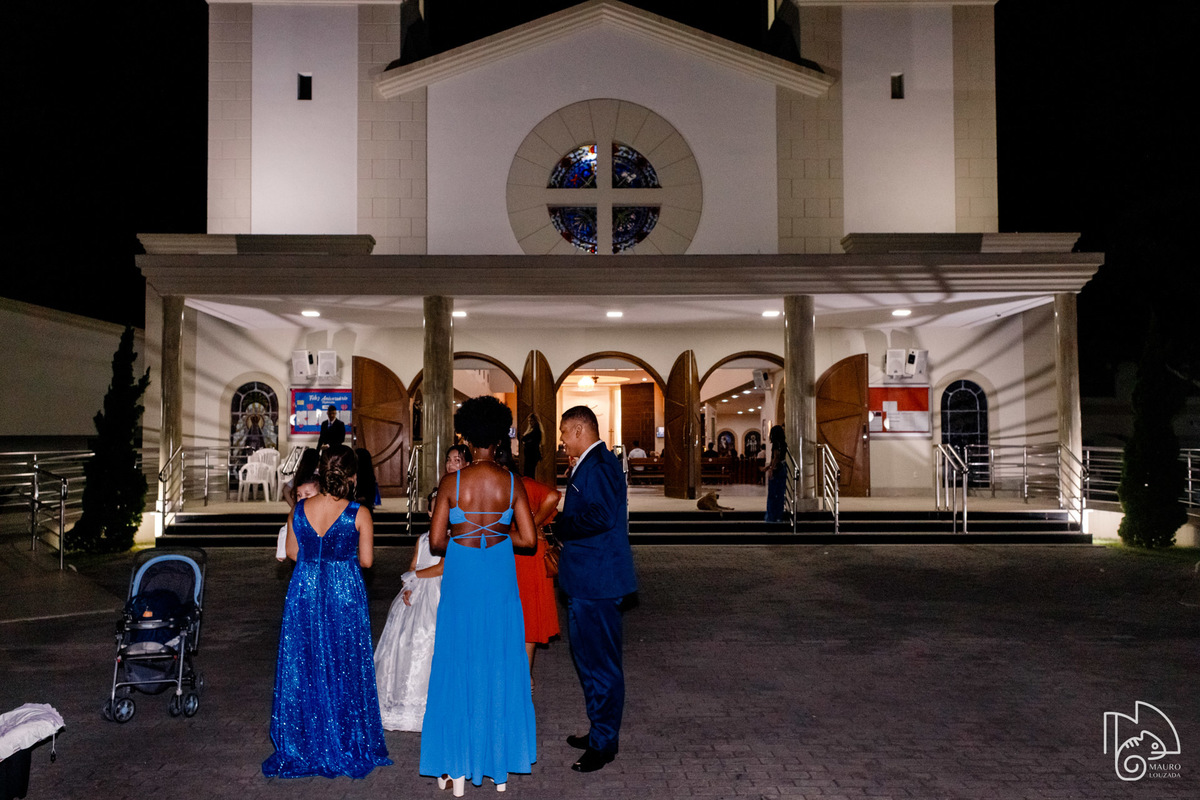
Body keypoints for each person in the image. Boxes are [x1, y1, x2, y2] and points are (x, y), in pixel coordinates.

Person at [419, 396, 538, 795]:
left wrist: (466, 534)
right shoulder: (511, 482)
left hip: (463, 574)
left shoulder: (452, 483)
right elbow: (529, 539)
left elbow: (436, 542)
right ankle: (497, 764)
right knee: (498, 660)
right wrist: (497, 535)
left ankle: (457, 763)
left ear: (467, 438)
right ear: (499, 438)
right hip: (498, 575)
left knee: (458, 661)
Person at [262, 446, 391, 779]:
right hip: (343, 592)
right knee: (344, 662)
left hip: (305, 590)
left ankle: (305, 742)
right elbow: (367, 561)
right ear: (352, 476)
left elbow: (292, 552)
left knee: (305, 662)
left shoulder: (299, 509)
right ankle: (345, 738)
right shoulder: (358, 512)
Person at [556, 405, 638, 773]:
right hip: (586, 581)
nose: (562, 441)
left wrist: (562, 525)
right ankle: (598, 730)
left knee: (601, 666)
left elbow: (601, 516)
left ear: (578, 430)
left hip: (598, 582)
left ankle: (604, 744)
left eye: (563, 433)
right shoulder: (591, 463)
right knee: (588, 662)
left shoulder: (600, 465)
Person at [374, 446, 467, 731]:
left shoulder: (453, 539)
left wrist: (416, 576)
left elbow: (442, 568)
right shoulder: (424, 539)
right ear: (429, 512)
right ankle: (403, 699)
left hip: (438, 592)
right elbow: (413, 563)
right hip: (417, 591)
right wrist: (409, 583)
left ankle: (435, 701)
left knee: (432, 639)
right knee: (405, 640)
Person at [495, 440, 561, 690]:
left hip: (529, 555)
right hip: (511, 552)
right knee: (514, 613)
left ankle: (524, 675)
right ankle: (519, 673)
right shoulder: (501, 485)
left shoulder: (521, 483)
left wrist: (531, 524)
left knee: (529, 616)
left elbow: (553, 495)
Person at [276, 447, 320, 562]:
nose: (303, 498)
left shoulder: (300, 475)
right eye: (299, 495)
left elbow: (285, 490)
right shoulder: (317, 476)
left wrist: (293, 505)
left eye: (307, 494)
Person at [764, 425, 788, 523]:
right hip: (783, 467)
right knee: (780, 494)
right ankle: (779, 516)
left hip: (777, 469)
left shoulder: (775, 443)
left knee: (773, 494)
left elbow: (776, 457)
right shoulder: (784, 443)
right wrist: (768, 467)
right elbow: (778, 457)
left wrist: (771, 469)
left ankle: (771, 516)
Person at [519, 413, 542, 479]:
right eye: (529, 421)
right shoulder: (534, 430)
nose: (530, 423)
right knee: (529, 473)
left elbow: (526, 439)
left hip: (532, 454)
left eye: (531, 421)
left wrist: (525, 441)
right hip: (531, 454)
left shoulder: (536, 431)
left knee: (529, 473)